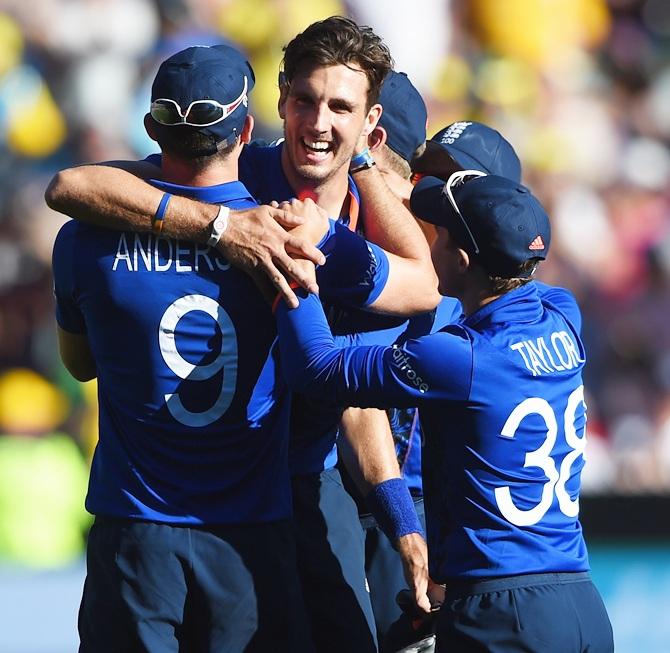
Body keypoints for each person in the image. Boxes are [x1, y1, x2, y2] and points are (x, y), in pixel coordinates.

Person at [47, 17, 437, 652]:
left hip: (311, 483)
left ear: (371, 127)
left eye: (340, 107)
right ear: (273, 106)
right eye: (305, 101)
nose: (317, 122)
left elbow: (408, 306)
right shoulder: (253, 191)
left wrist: (401, 521)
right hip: (252, 502)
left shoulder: (343, 224)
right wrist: (223, 228)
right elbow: (73, 185)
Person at [274, 172, 614, 652]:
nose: (425, 238)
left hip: (501, 612)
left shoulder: (461, 357)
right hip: (581, 602)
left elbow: (319, 371)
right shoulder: (563, 313)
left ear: (460, 259)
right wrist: (335, 228)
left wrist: (296, 260)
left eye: (439, 231)